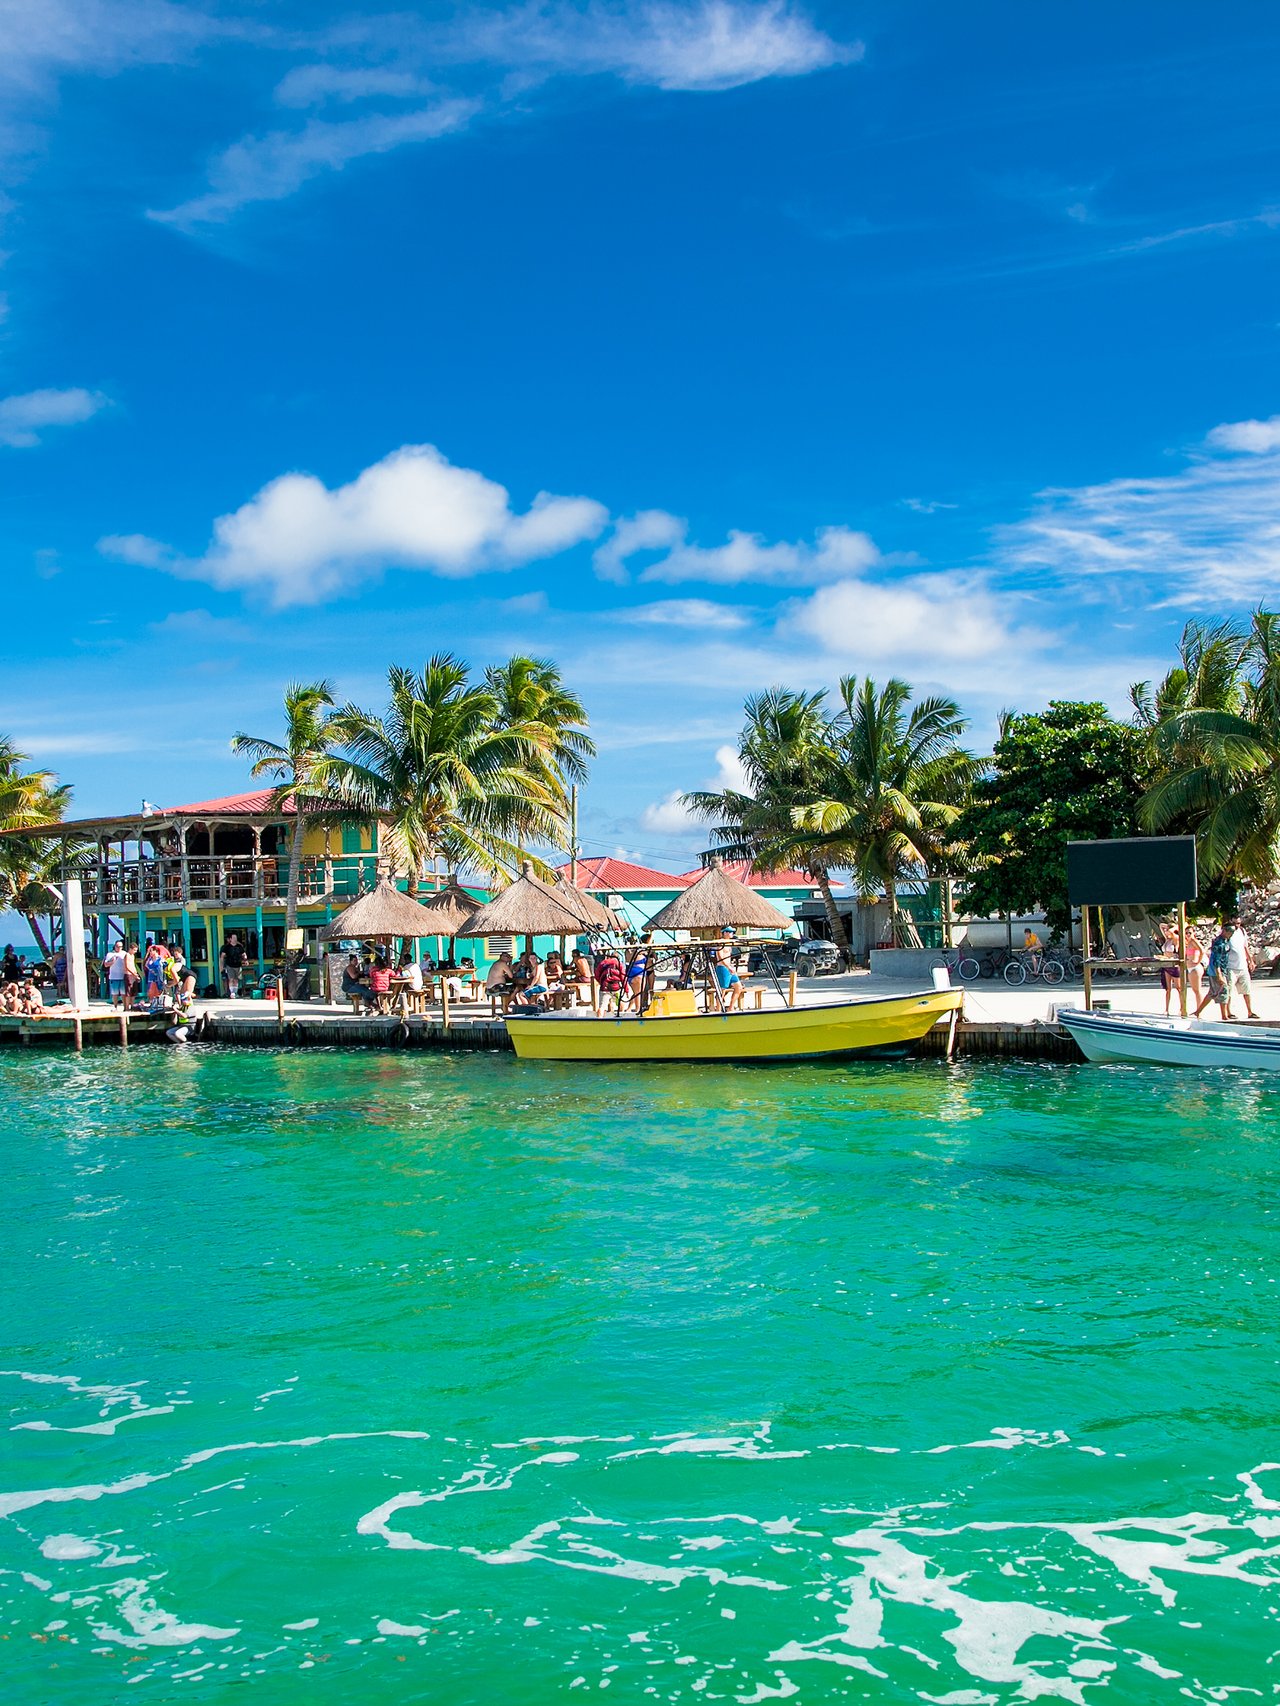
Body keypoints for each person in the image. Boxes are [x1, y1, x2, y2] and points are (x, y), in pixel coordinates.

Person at [1196, 921, 1235, 1020]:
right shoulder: (1219, 943)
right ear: (1224, 931)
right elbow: (1216, 960)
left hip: (1223, 969)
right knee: (1224, 990)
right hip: (1216, 971)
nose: (1231, 933)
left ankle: (1198, 1011)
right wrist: (1219, 975)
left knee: (1213, 992)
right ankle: (1224, 1015)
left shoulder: (1226, 941)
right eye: (1230, 931)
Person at [1224, 913, 1258, 1019]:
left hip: (1242, 966)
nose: (1237, 925)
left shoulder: (1242, 932)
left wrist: (1250, 961)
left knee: (1247, 990)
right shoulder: (1228, 933)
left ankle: (1250, 1011)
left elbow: (1245, 947)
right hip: (1230, 966)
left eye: (1239, 923)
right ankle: (1228, 1012)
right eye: (1235, 923)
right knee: (1229, 991)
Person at [713, 936, 745, 1011]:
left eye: (731, 932)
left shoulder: (729, 943)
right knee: (722, 989)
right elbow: (721, 957)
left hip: (729, 967)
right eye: (728, 931)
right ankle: (718, 1009)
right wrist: (728, 967)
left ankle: (731, 1007)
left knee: (739, 987)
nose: (730, 933)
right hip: (723, 968)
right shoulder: (721, 942)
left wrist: (731, 966)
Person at [624, 933, 654, 1013]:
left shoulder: (628, 951)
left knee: (636, 992)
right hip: (638, 971)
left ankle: (634, 1008)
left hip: (631, 971)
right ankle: (638, 1010)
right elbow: (648, 947)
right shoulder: (639, 951)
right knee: (639, 993)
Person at [220, 933, 248, 999]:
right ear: (230, 939)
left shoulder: (240, 947)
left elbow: (244, 954)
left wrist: (246, 960)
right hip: (229, 965)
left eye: (236, 938)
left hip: (238, 965)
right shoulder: (226, 947)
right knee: (231, 979)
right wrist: (221, 966)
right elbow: (222, 956)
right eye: (233, 938)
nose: (235, 939)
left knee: (236, 979)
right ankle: (232, 993)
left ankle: (235, 992)